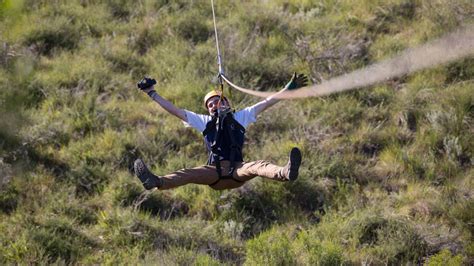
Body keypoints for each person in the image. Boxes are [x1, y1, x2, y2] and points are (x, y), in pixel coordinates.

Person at [134, 73, 308, 190]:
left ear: (227, 103)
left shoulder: (241, 117)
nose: (213, 106)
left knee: (257, 166)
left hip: (238, 170)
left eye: (217, 101)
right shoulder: (205, 121)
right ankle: (156, 182)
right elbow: (175, 111)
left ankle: (285, 172)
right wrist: (152, 94)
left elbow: (267, 102)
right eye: (209, 105)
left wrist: (287, 90)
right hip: (213, 173)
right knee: (188, 173)